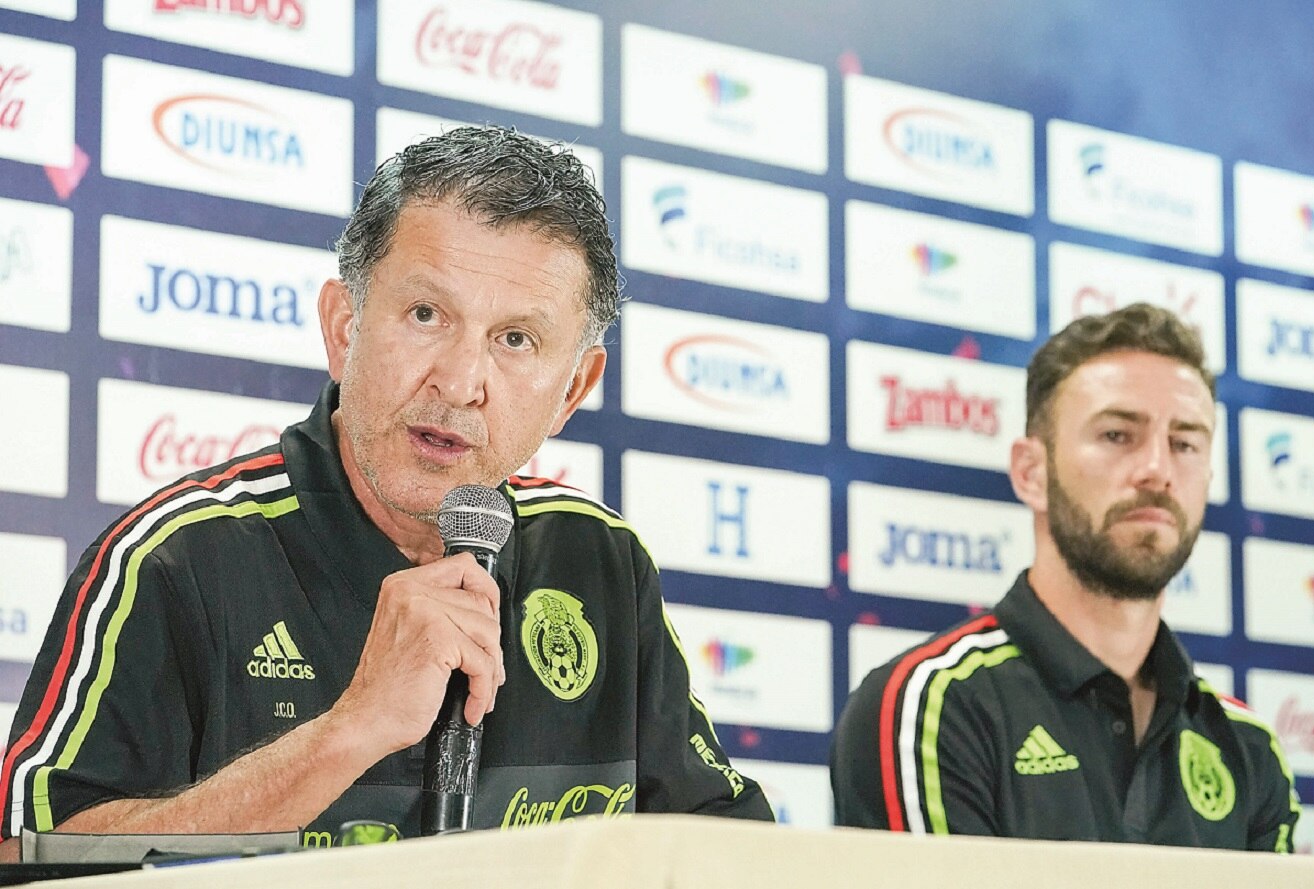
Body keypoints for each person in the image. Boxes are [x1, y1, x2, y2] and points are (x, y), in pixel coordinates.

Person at [0, 126, 772, 854]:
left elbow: (730, 847)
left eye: (515, 340)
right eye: (427, 313)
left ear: (573, 389)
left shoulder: (600, 560)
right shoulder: (174, 561)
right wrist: (349, 729)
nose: (461, 381)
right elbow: (29, 860)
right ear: (344, 327)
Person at [831, 304, 1300, 850]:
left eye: (1185, 442)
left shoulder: (1246, 743)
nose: (1158, 469)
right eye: (1118, 435)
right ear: (1032, 472)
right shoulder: (931, 706)